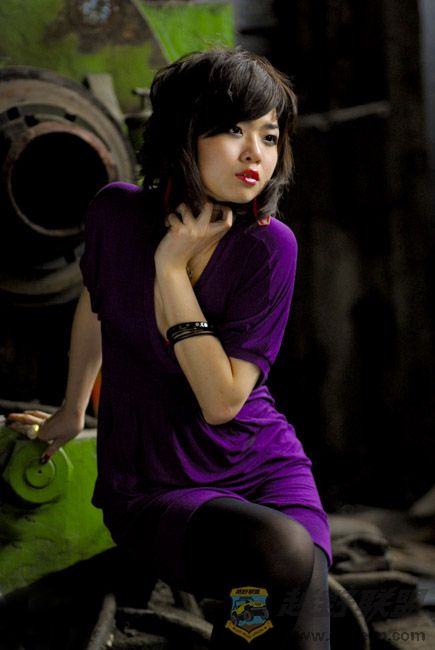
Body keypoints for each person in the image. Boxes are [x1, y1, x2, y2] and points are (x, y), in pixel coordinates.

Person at [8, 47, 332, 648]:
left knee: (285, 623)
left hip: (262, 467)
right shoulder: (115, 212)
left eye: (269, 135)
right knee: (281, 554)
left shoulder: (270, 247)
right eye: (233, 130)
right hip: (155, 477)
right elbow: (96, 303)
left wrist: (172, 270)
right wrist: (72, 409)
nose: (255, 153)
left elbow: (222, 401)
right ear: (186, 131)